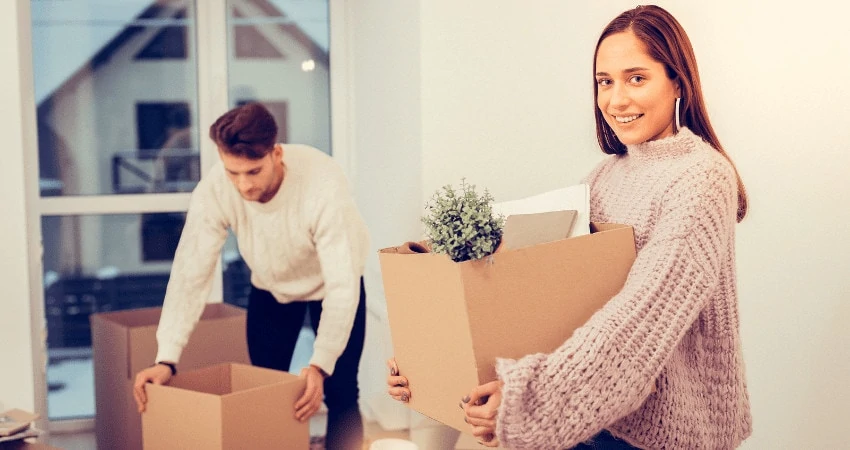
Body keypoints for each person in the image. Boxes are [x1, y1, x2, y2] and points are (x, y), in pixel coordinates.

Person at [388, 5, 752, 449]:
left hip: (662, 433)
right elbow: (544, 297)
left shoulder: (702, 177)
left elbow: (641, 321)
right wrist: (430, 360)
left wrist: (531, 400)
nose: (617, 99)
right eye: (605, 81)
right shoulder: (603, 177)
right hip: (593, 418)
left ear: (677, 81)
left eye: (636, 78)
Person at [133, 102, 370, 450]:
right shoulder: (216, 188)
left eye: (254, 172)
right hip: (270, 288)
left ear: (276, 154)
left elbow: (342, 285)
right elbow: (190, 274)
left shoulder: (323, 184)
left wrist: (319, 365)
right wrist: (166, 357)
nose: (242, 185)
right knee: (263, 393)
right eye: (233, 172)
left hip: (334, 287)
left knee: (341, 390)